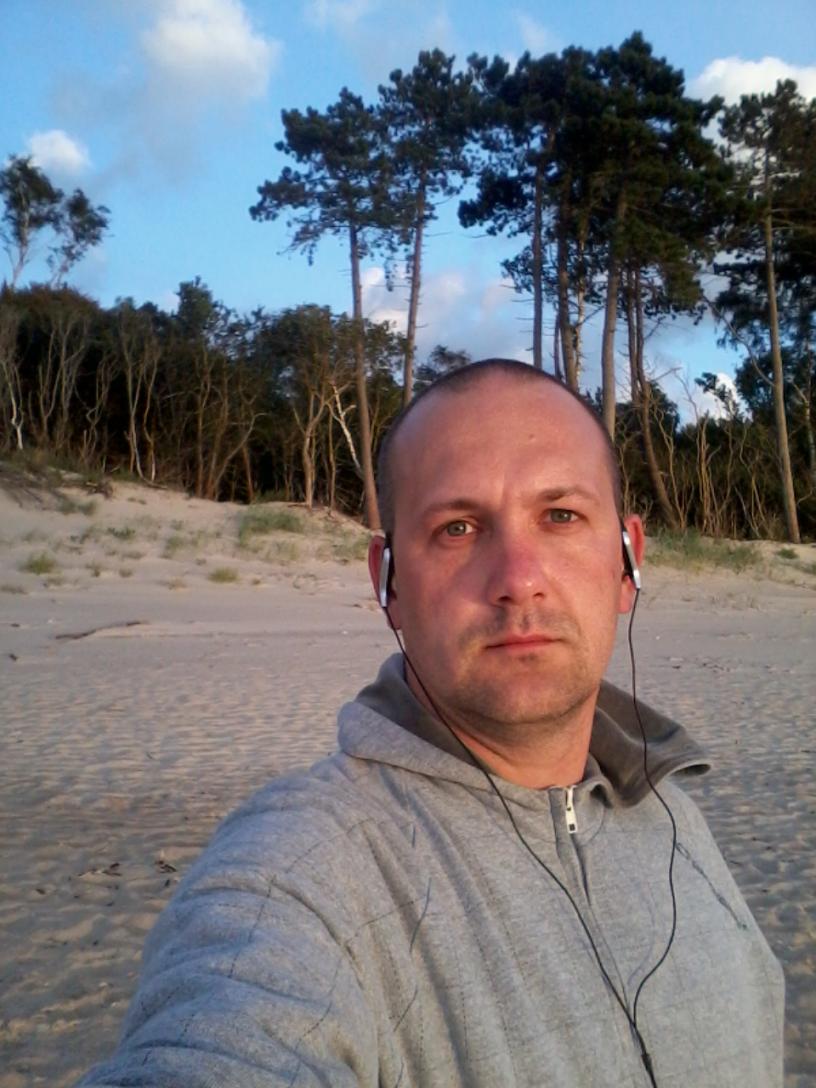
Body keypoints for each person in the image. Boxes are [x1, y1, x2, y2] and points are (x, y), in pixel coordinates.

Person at [80, 360, 784, 1088]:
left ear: (628, 559)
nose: (518, 578)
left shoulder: (675, 819)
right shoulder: (300, 870)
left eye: (561, 517)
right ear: (387, 580)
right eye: (458, 528)